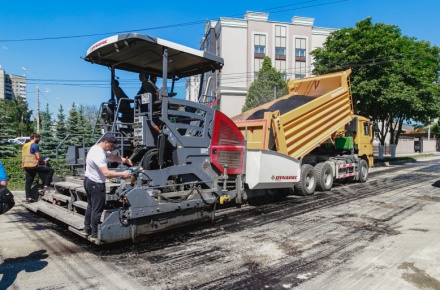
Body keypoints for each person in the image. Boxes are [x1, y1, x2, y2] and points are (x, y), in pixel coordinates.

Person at [82, 135, 133, 241]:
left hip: (88, 181)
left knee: (91, 206)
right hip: (96, 184)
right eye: (112, 146)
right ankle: (94, 234)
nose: (112, 148)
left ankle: (86, 229)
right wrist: (122, 174)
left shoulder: (98, 148)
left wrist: (125, 160)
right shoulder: (98, 154)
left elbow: (113, 157)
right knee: (97, 209)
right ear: (106, 142)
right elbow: (106, 173)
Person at [22, 133, 55, 202]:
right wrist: (43, 162)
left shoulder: (25, 145)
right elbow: (38, 157)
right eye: (38, 138)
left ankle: (28, 198)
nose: (39, 140)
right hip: (33, 166)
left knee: (28, 182)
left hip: (26, 166)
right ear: (34, 137)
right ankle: (46, 186)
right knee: (50, 170)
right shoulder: (35, 145)